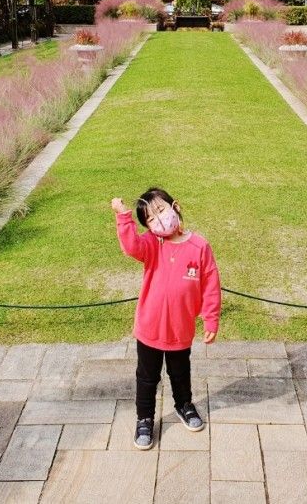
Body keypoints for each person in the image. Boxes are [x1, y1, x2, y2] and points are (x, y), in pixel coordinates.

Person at [111, 187, 221, 451]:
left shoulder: (200, 246)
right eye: (150, 218)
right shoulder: (151, 243)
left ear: (176, 207)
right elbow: (131, 247)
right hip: (149, 327)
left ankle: (184, 405)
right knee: (147, 377)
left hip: (180, 330)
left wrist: (211, 319)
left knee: (180, 372)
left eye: (161, 210)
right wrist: (124, 217)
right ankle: (145, 418)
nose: (159, 219)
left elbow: (211, 284)